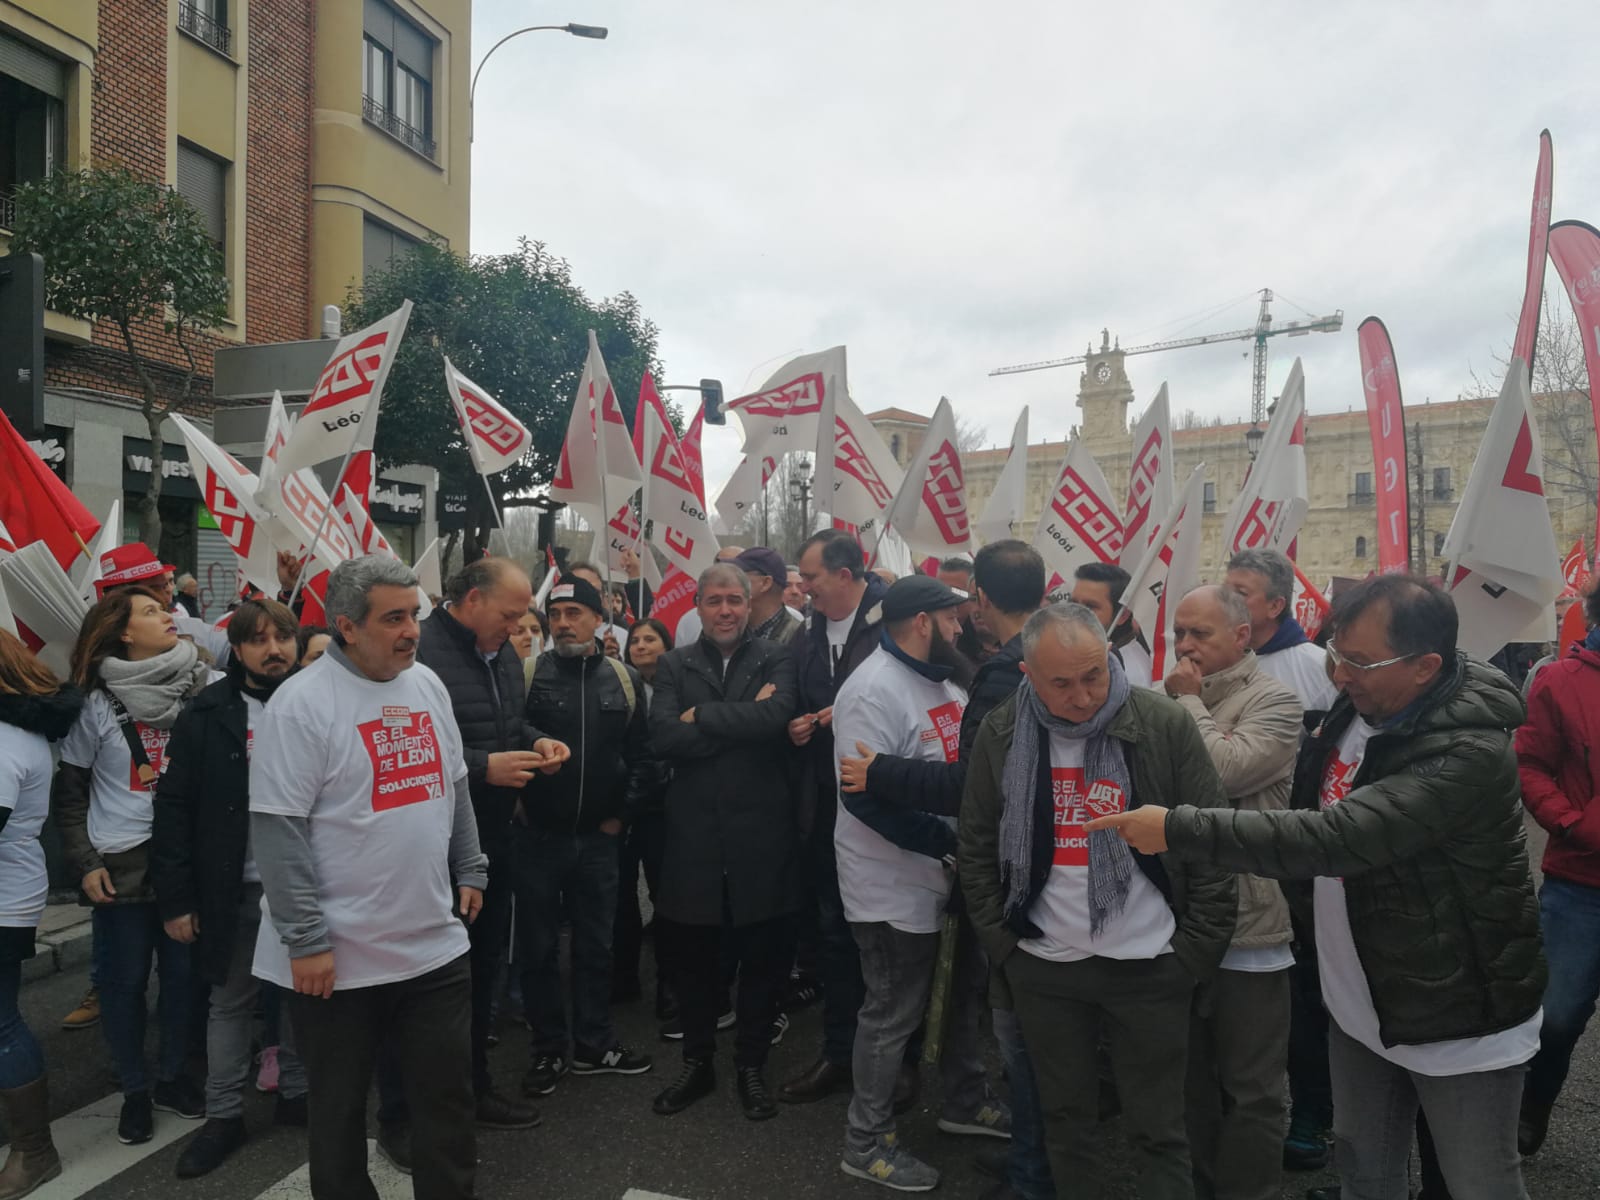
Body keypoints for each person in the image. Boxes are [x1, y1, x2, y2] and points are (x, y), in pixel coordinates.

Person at [1088, 575, 1545, 1200]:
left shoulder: (1466, 753)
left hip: (1453, 1010)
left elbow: (1331, 837)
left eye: (1358, 660)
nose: (1338, 673)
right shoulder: (1362, 705)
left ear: (1425, 666)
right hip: (1360, 996)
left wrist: (1173, 827)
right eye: (1336, 653)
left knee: (1478, 1181)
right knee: (1363, 1170)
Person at [959, 601, 1237, 1198]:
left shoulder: (1163, 724)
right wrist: (1005, 946)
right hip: (1046, 968)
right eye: (1062, 683)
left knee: (1160, 1131)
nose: (1083, 697)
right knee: (1066, 1126)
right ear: (1029, 675)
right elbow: (978, 843)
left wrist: (1192, 955)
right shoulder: (1003, 731)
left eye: (1095, 676)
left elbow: (1211, 841)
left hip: (1152, 965)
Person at [250, 556, 490, 1200]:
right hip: (336, 961)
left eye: (414, 614)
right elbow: (279, 831)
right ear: (348, 626)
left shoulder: (427, 685)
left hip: (432, 947)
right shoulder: (300, 707)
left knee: (446, 1106)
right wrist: (306, 941)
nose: (412, 630)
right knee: (337, 1115)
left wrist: (470, 865)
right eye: (394, 618)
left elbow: (455, 783)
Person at [837, 540, 1047, 1198]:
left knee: (961, 997)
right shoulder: (871, 690)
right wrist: (944, 843)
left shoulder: (947, 678)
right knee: (892, 1013)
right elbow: (861, 794)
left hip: (949, 879)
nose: (965, 625)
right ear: (924, 622)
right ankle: (864, 1142)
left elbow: (964, 774)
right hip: (892, 885)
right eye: (953, 618)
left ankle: (964, 1101)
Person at [150, 599, 311, 1178]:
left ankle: (297, 1093)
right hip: (232, 889)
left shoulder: (318, 701)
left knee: (302, 994)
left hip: (302, 887)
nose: (274, 650)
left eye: (284, 637)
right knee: (230, 1003)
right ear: (237, 649)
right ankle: (224, 1115)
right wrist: (177, 899)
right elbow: (172, 809)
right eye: (259, 639)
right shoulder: (206, 712)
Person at [54, 588, 214, 1144]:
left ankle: (172, 1077)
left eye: (163, 608)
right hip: (119, 865)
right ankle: (134, 1090)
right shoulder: (94, 702)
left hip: (185, 860)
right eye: (150, 612)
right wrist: (84, 862)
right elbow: (70, 794)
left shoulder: (202, 686)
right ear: (123, 632)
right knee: (121, 984)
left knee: (183, 978)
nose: (168, 614)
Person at [418, 558, 569, 1131]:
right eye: (509, 614)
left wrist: (538, 743)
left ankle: (474, 1087)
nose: (518, 627)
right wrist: (484, 768)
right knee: (429, 987)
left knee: (481, 974)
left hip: (494, 840)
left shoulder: (503, 653)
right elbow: (410, 747)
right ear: (473, 600)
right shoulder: (425, 652)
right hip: (436, 847)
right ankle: (412, 1112)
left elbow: (507, 727)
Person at [1163, 585, 1302, 1200]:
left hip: (1250, 926)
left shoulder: (1275, 700)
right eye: (1179, 634)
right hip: (1178, 921)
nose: (1186, 647)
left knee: (1252, 1089)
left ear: (1242, 636)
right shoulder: (1169, 700)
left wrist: (1187, 705)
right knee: (1188, 1080)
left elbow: (1221, 774)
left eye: (1201, 634)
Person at [649, 563, 799, 1119]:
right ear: (698, 605)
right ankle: (698, 1061)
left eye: (734, 599)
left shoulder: (777, 656)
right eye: (714, 601)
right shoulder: (673, 663)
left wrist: (705, 717)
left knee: (762, 962)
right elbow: (664, 736)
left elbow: (779, 717)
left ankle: (751, 1066)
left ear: (749, 602)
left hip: (762, 838)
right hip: (694, 840)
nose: (726, 610)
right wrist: (745, 722)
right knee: (695, 964)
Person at [1225, 547, 1340, 1172]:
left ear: (1276, 604)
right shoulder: (1214, 663)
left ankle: (1313, 1114)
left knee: (1303, 997)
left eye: (1242, 590)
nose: (1230, 597)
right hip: (1231, 856)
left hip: (1302, 858)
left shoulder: (1315, 668)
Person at [518, 576, 653, 1097]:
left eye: (576, 612)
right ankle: (548, 1050)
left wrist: (620, 815)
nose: (563, 623)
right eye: (556, 613)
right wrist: (522, 806)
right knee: (538, 949)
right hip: (538, 840)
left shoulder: (623, 680)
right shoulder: (529, 674)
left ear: (600, 619)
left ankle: (595, 1044)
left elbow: (644, 756)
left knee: (597, 945)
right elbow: (509, 735)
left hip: (599, 841)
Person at [781, 529, 892, 1105]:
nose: (803, 587)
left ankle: (894, 1064)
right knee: (834, 934)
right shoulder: (805, 635)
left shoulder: (893, 624)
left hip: (883, 810)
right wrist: (798, 723)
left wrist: (850, 713)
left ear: (845, 577)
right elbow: (791, 702)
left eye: (812, 577)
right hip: (823, 810)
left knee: (889, 942)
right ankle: (838, 1052)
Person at [1515, 582, 1600, 1156]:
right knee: (1556, 1016)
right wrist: (1569, 822)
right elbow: (1530, 763)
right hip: (1580, 883)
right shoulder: (1561, 680)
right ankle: (1528, 1110)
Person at [0, 631, 82, 1197]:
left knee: (1, 1022)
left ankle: (34, 1150)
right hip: (13, 889)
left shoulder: (5, 742)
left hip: (3, 899)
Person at [616, 618, 675, 1016]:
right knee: (621, 898)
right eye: (634, 640)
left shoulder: (677, 688)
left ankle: (670, 983)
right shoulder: (617, 685)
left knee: (665, 895)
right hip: (623, 805)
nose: (640, 645)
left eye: (650, 638)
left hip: (663, 808)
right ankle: (622, 977)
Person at [1071, 561, 1153, 688]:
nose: (1076, 613)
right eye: (1073, 603)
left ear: (1122, 616)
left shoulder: (1130, 677)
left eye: (1090, 607)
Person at [734, 547, 804, 645]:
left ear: (765, 583)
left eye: (739, 577)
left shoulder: (800, 639)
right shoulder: (732, 629)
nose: (731, 583)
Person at [937, 556, 985, 661]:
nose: (945, 599)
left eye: (955, 592)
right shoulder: (931, 634)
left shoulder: (985, 633)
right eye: (939, 591)